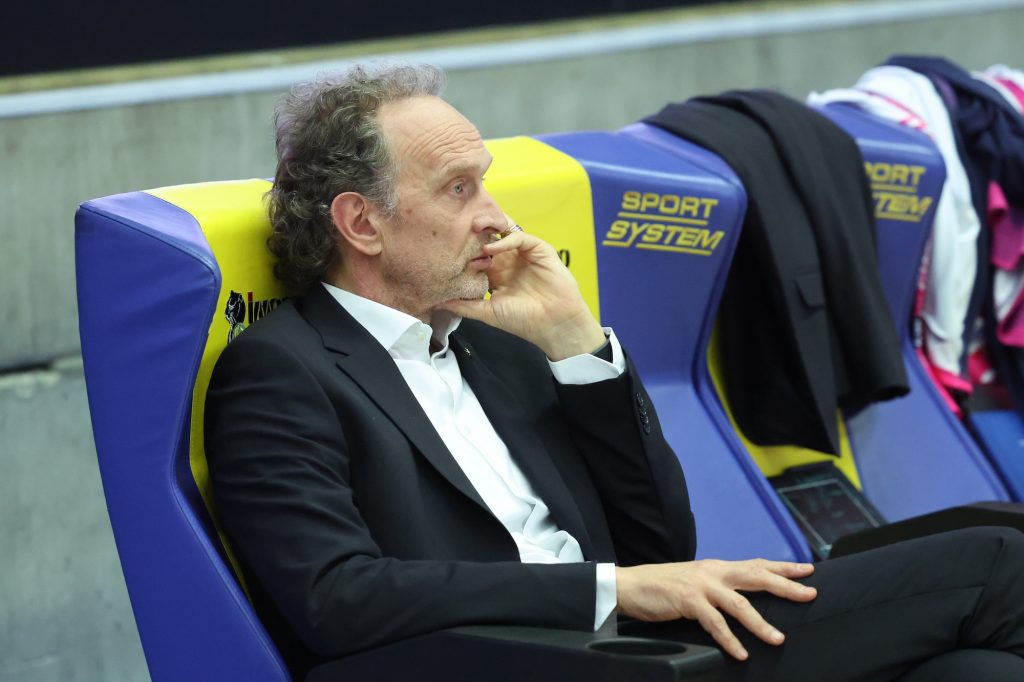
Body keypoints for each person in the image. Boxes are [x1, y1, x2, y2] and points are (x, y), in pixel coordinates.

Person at [204, 62, 1024, 681]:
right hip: (524, 659)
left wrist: (577, 349)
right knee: (997, 563)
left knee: (978, 671)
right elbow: (338, 598)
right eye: (458, 190)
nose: (495, 218)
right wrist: (611, 591)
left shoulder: (498, 343)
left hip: (637, 649)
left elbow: (660, 544)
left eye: (485, 184)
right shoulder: (282, 371)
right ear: (361, 223)